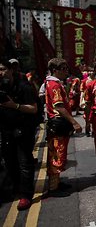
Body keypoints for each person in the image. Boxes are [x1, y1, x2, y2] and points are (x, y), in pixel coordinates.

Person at [0, 60, 39, 210]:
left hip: (23, 129)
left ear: (10, 70)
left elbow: (33, 109)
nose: (0, 73)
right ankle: (16, 189)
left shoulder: (23, 86)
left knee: (24, 162)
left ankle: (26, 194)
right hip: (6, 130)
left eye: (3, 69)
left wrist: (14, 106)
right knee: (9, 162)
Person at [44, 58, 82, 196]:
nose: (67, 71)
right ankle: (53, 188)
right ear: (55, 70)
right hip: (58, 123)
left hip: (57, 124)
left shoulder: (52, 83)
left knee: (59, 152)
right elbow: (59, 107)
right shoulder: (54, 85)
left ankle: (57, 183)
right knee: (57, 154)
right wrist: (74, 122)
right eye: (64, 69)